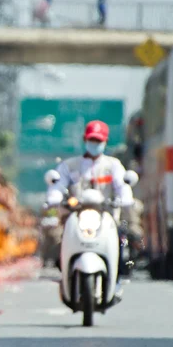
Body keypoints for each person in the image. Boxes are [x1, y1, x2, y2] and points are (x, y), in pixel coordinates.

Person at [46, 120, 134, 283]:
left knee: (125, 239)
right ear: (84, 139)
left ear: (105, 142)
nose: (95, 144)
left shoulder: (113, 165)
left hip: (106, 217)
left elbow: (122, 185)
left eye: (98, 141)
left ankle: (118, 276)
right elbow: (58, 185)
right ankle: (64, 271)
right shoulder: (70, 165)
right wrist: (54, 197)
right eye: (92, 140)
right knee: (56, 239)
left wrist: (126, 198)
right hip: (76, 215)